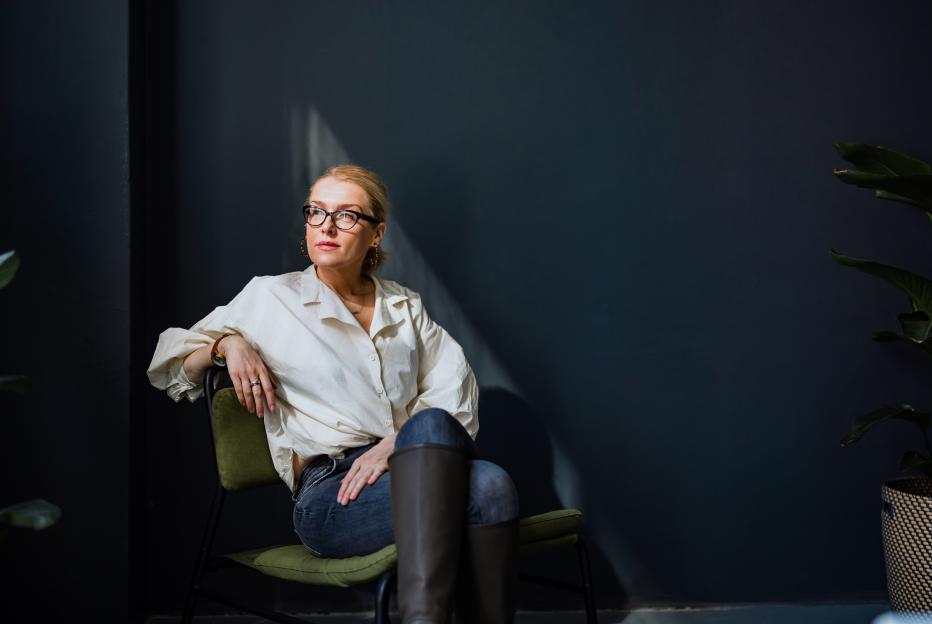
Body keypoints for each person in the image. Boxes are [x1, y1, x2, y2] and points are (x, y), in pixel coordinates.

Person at [147, 164, 520, 624]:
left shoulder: (404, 306)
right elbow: (168, 367)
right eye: (317, 212)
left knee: (486, 476)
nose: (326, 225)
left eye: (347, 215)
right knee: (484, 484)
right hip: (333, 497)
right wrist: (226, 344)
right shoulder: (271, 298)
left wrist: (392, 447)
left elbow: (454, 397)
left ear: (376, 233)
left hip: (414, 464)